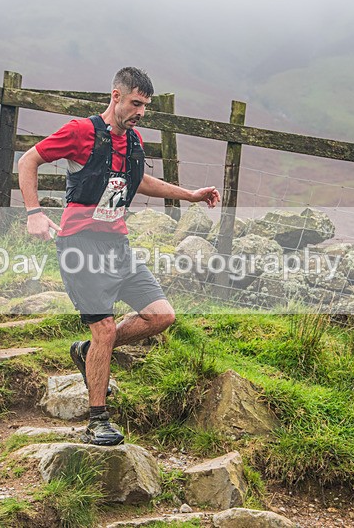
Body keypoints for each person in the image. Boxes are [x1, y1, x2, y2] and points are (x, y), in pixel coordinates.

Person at [18, 67, 220, 446]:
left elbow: (139, 181)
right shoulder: (81, 131)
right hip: (80, 246)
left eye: (145, 106)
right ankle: (97, 421)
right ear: (116, 96)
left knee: (162, 316)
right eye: (136, 103)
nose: (141, 112)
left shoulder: (134, 140)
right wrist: (34, 213)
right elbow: (28, 160)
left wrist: (190, 195)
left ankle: (89, 351)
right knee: (105, 330)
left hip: (118, 247)